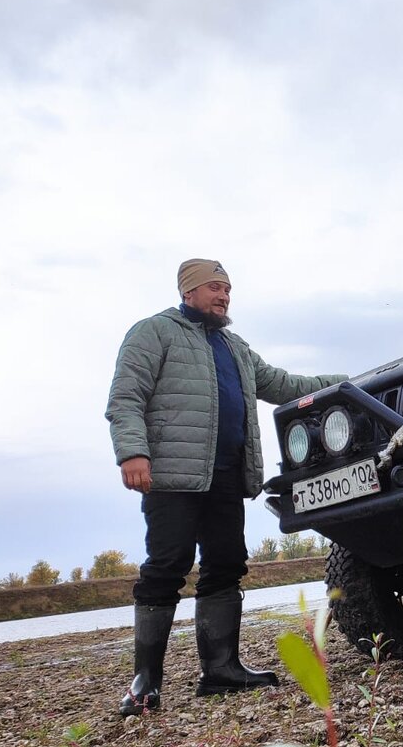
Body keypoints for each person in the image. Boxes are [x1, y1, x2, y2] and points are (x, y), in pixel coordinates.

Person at [106, 259, 346, 717]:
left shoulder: (235, 347)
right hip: (172, 476)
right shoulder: (153, 332)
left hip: (226, 477)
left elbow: (284, 384)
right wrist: (132, 452)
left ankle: (221, 670)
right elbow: (125, 397)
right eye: (215, 288)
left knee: (226, 564)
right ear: (189, 292)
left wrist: (346, 380)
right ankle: (145, 684)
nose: (223, 296)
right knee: (166, 566)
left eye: (228, 290)